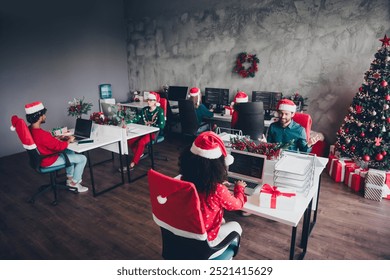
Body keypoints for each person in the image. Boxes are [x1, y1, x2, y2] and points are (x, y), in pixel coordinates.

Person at [178, 131, 247, 246]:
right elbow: (238, 205)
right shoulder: (218, 190)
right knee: (236, 226)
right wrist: (239, 188)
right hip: (205, 243)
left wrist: (218, 184)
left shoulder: (183, 181)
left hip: (186, 234)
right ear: (217, 166)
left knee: (223, 221)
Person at [25, 101, 88, 192]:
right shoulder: (42, 134)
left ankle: (69, 179)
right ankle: (74, 184)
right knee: (82, 158)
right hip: (48, 160)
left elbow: (45, 142)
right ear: (39, 116)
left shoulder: (30, 130)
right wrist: (69, 140)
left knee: (69, 152)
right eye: (44, 115)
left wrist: (54, 138)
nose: (45, 116)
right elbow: (59, 147)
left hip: (40, 158)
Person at [125, 91, 165, 170]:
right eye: (148, 100)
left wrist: (151, 126)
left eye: (151, 100)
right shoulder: (144, 110)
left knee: (141, 142)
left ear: (155, 101)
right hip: (143, 131)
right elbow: (136, 118)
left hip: (153, 132)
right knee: (129, 140)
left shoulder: (160, 111)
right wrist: (126, 122)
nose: (148, 101)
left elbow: (162, 125)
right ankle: (139, 154)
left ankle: (133, 163)